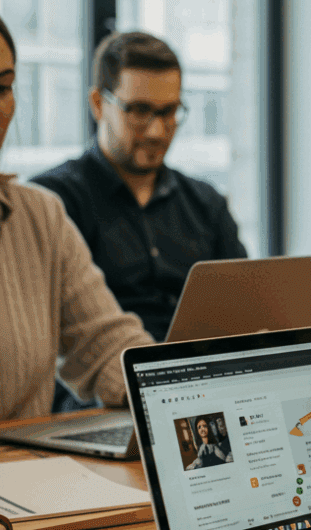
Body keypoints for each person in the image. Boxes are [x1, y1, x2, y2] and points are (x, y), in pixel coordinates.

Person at [32, 32, 247, 343]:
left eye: (169, 112)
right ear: (98, 104)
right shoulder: (53, 203)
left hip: (198, 377)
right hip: (101, 381)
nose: (157, 131)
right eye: (139, 111)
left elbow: (247, 308)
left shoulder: (206, 203)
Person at [0, 14, 154, 421]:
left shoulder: (39, 215)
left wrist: (172, 390)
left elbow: (106, 343)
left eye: (2, 88)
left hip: (27, 475)